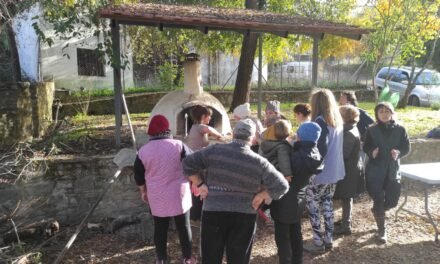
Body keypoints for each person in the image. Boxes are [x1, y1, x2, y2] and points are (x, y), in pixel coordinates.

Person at [182, 119, 289, 264]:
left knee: (211, 258)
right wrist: (263, 195)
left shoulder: (214, 151)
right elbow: (282, 185)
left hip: (214, 212)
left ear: (233, 134)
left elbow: (187, 164)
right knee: (238, 259)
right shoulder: (259, 162)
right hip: (244, 215)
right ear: (252, 138)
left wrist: (200, 184)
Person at [133, 115, 196, 264]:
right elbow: (193, 163)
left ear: (151, 131)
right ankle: (187, 258)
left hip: (157, 195)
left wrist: (143, 191)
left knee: (160, 229)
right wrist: (196, 183)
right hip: (179, 195)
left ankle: (161, 259)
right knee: (184, 227)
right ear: (168, 128)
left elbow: (139, 176)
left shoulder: (143, 151)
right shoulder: (179, 145)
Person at [270, 121, 323, 264]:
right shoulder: (313, 152)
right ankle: (297, 260)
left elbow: (280, 173)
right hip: (298, 199)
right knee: (295, 233)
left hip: (284, 200)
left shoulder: (296, 157)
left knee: (283, 238)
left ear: (299, 136)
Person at [303, 89, 345, 254]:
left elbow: (320, 149)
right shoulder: (337, 120)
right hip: (334, 171)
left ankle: (318, 241)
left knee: (313, 206)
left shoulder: (320, 122)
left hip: (320, 173)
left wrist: (311, 169)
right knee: (327, 204)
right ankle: (328, 238)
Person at [363, 102, 410, 243]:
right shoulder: (371, 130)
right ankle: (382, 231)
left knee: (393, 200)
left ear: (391, 112)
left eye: (386, 111)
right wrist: (372, 152)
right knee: (378, 198)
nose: (383, 114)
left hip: (392, 170)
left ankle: (379, 211)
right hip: (375, 170)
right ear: (377, 114)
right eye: (380, 111)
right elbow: (366, 146)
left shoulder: (400, 129)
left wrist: (399, 152)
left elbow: (406, 147)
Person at [185, 105, 224, 221]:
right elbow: (209, 130)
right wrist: (219, 136)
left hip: (195, 162)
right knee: (200, 187)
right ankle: (197, 216)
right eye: (209, 116)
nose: (210, 119)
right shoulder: (200, 127)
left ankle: (195, 216)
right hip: (198, 164)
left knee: (197, 188)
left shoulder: (194, 127)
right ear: (203, 116)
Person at [333, 105, 362, 236]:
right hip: (349, 169)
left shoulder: (349, 133)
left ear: (345, 117)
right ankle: (345, 221)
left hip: (349, 171)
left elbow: (343, 154)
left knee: (346, 197)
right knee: (346, 197)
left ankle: (346, 225)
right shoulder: (349, 129)